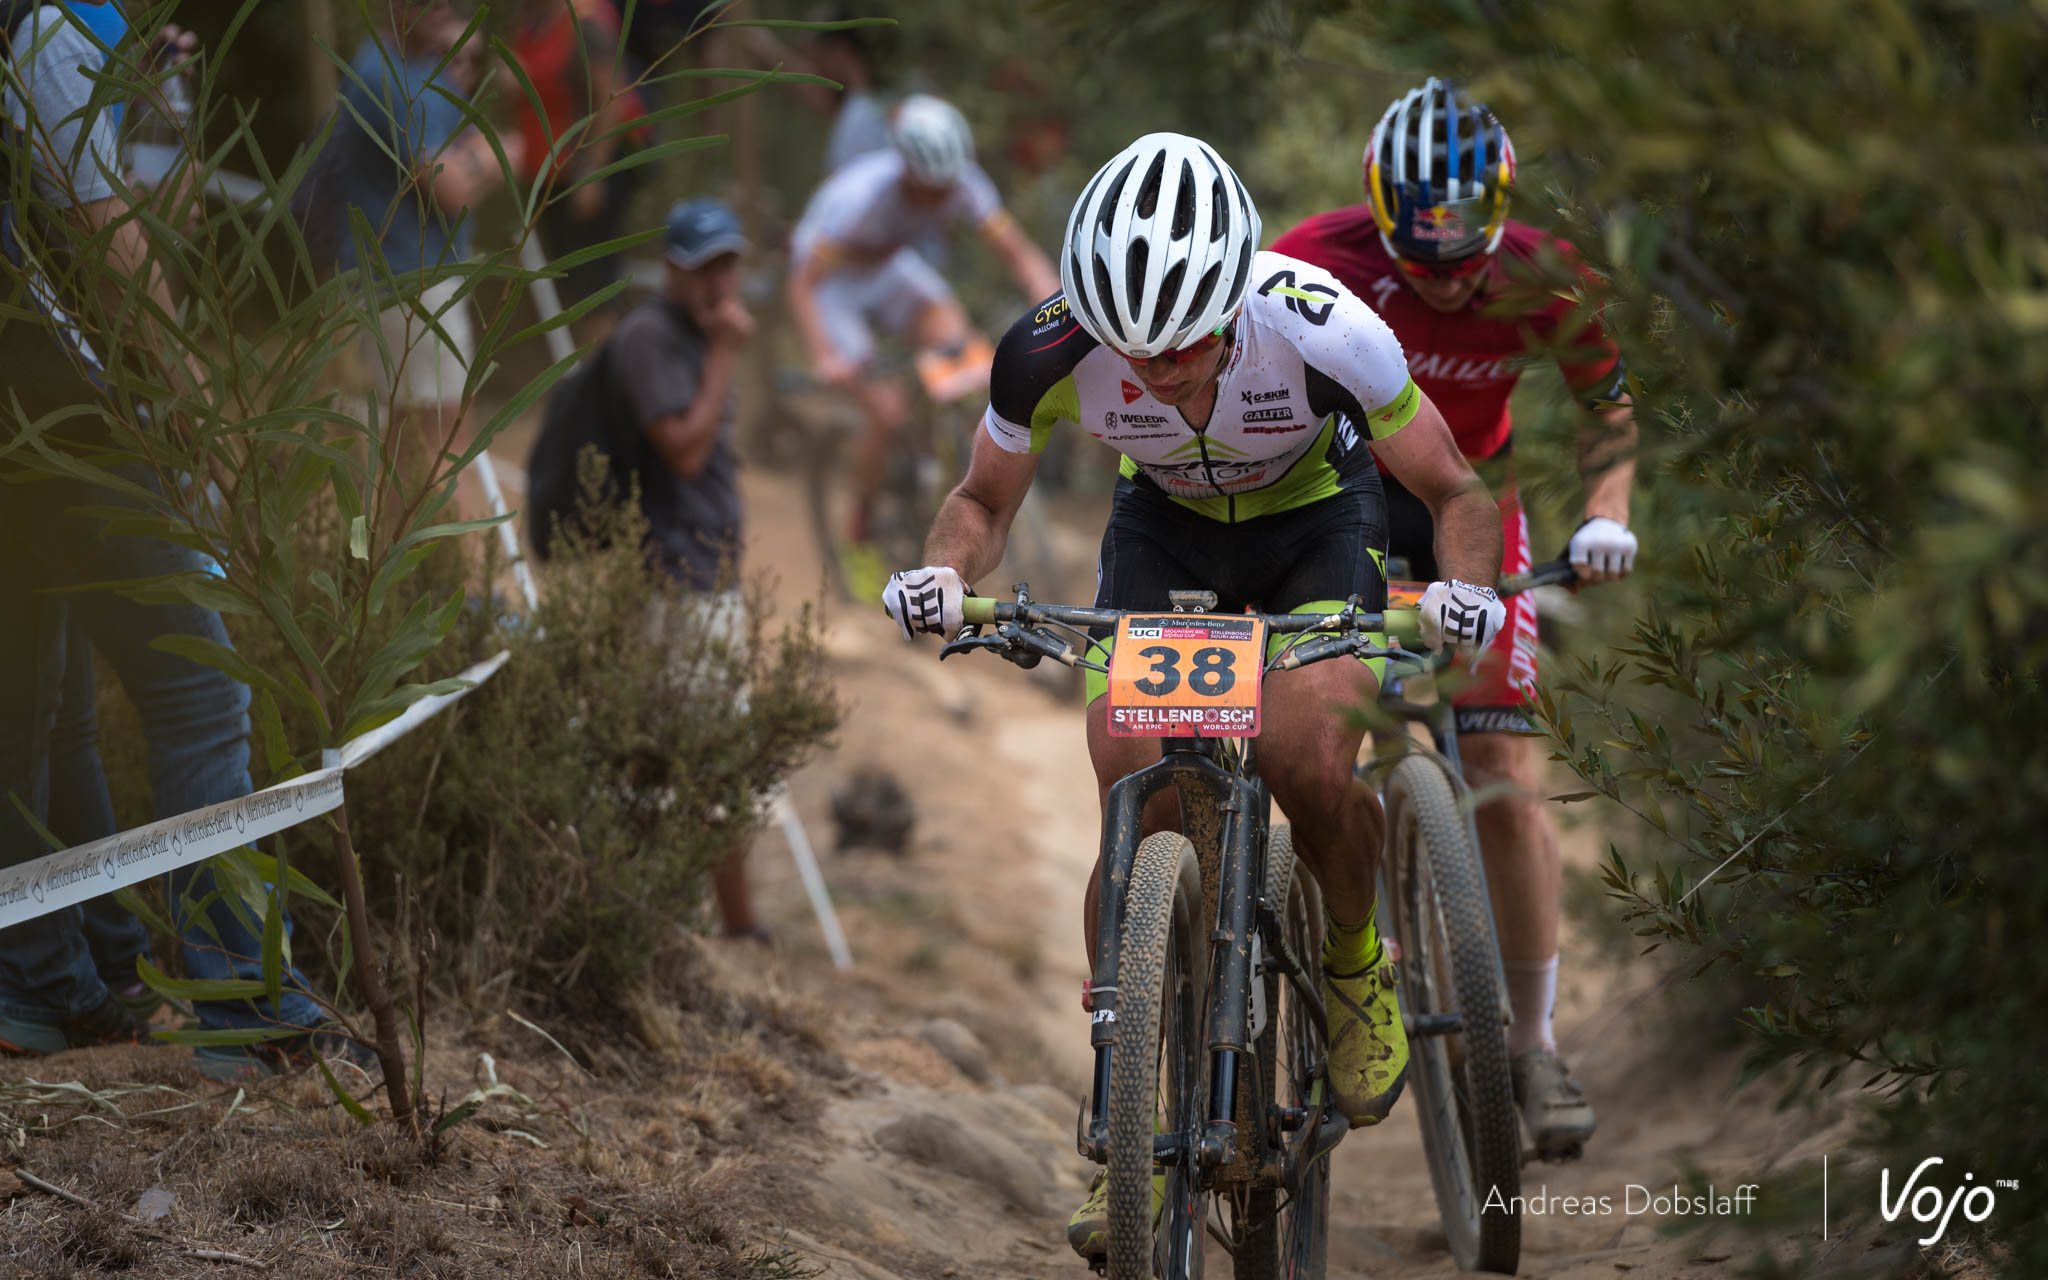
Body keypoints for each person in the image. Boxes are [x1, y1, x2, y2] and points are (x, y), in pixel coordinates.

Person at [880, 133, 1507, 1261]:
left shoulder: (1320, 326)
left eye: (1182, 345)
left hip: (1315, 524)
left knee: (1311, 752)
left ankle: (1355, 960)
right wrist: (941, 572)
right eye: (1135, 352)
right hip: (1162, 529)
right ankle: (1127, 1117)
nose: (1157, 369)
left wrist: (1464, 590)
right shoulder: (1043, 348)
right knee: (1132, 771)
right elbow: (979, 500)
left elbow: (1455, 487)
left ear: (1232, 300)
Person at [1271, 78, 1638, 1158]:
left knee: (1505, 769)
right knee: (1311, 725)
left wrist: (1607, 515)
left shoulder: (1539, 275)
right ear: (1379, 205)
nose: (1444, 261)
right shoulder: (1314, 256)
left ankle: (1529, 1042)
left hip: (1474, 502)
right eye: (1418, 236)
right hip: (1337, 501)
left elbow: (1603, 403)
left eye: (1462, 234)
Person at [0, 2, 358, 1077]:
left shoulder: (57, 32)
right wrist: (193, 394)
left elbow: (141, 201)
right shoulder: (49, 30)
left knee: (40, 708)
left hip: (22, 421)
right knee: (202, 682)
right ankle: (233, 993)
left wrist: (153, 98)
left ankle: (47, 984)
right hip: (64, 412)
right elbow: (112, 236)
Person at [525, 197, 766, 942]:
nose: (719, 281)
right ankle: (707, 925)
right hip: (674, 579)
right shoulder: (651, 338)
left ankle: (686, 919)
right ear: (671, 268)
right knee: (699, 763)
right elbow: (684, 449)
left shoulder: (688, 333)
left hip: (700, 575)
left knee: (674, 755)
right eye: (704, 267)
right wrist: (727, 351)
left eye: (728, 263)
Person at [786, 93, 1059, 590]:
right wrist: (825, 356)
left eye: (945, 189)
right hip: (832, 284)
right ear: (904, 169)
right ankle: (860, 529)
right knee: (886, 411)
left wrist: (1059, 312)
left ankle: (940, 451)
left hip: (887, 268)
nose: (938, 200)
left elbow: (1019, 256)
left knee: (956, 341)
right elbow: (803, 285)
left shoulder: (962, 184)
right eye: (926, 191)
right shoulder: (860, 197)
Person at [308, 0, 524, 526]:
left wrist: (478, 149)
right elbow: (451, 185)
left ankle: (405, 583)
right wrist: (509, 153)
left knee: (411, 442)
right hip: (411, 287)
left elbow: (463, 149)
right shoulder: (383, 75)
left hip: (417, 281)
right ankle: (459, 589)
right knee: (443, 442)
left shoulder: (421, 68)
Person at [509, 0, 651, 343]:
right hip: (553, 176)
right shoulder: (531, 24)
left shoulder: (585, 26)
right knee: (575, 282)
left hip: (591, 172)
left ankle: (607, 383)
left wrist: (592, 175)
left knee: (595, 286)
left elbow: (612, 99)